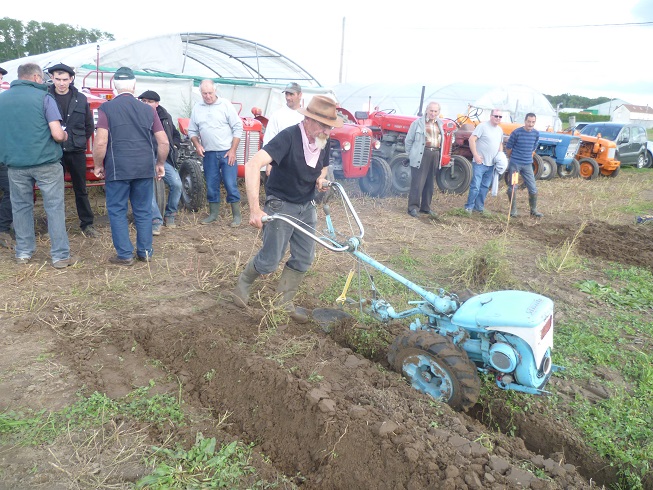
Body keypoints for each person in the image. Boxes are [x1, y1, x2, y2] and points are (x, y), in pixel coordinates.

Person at [231, 95, 342, 322]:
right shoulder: (289, 137)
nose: (327, 131)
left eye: (330, 127)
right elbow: (253, 165)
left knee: (304, 257)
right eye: (323, 125)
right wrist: (254, 210)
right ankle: (244, 281)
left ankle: (284, 303)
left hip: (307, 205)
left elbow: (323, 166)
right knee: (271, 260)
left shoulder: (323, 138)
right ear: (308, 119)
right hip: (281, 203)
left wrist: (320, 177)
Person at [0, 63, 76, 268]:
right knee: (54, 207)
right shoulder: (44, 98)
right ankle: (60, 255)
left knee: (21, 207)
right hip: (45, 162)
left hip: (15, 164)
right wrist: (66, 135)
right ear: (35, 77)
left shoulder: (2, 99)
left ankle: (23, 252)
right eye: (42, 78)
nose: (43, 81)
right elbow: (57, 134)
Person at [92, 67, 169, 266]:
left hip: (118, 168)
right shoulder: (148, 110)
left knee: (117, 210)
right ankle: (145, 252)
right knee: (143, 210)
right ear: (134, 86)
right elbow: (163, 142)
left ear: (114, 87)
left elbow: (101, 142)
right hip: (144, 167)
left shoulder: (106, 109)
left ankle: (125, 254)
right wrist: (160, 163)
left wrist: (98, 165)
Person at [46, 63, 98, 237]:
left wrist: (79, 139)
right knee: (54, 190)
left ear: (72, 79)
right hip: (54, 151)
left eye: (65, 79)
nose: (61, 83)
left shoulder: (81, 99)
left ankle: (87, 224)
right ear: (52, 78)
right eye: (58, 79)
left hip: (76, 151)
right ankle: (55, 227)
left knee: (81, 188)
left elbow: (89, 125)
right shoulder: (45, 96)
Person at [187, 80, 243, 226]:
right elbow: (192, 130)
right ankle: (213, 214)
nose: (207, 96)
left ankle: (236, 216)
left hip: (226, 152)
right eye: (204, 93)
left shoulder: (225, 105)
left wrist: (233, 150)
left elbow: (238, 127)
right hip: (209, 153)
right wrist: (197, 144)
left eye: (210, 93)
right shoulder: (197, 108)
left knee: (231, 184)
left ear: (215, 91)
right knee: (212, 184)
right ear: (200, 93)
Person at [137, 90, 183, 234]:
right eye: (143, 101)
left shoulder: (165, 117)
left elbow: (175, 134)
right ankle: (156, 219)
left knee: (177, 184)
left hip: (164, 159)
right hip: (144, 158)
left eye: (150, 102)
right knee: (147, 187)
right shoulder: (137, 117)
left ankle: (170, 214)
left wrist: (174, 145)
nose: (146, 104)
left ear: (157, 104)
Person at [405, 101, 443, 219]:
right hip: (421, 154)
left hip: (434, 154)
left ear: (438, 112)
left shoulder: (440, 124)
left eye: (435, 111)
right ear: (427, 110)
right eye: (431, 110)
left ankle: (426, 207)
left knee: (430, 182)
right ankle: (413, 207)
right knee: (418, 182)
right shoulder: (417, 123)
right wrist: (411, 155)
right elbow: (409, 140)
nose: (433, 113)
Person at [464, 108, 505, 214]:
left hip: (491, 164)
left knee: (485, 187)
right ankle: (469, 207)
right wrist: (476, 155)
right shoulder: (482, 126)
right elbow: (472, 139)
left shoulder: (499, 130)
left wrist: (500, 156)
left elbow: (500, 144)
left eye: (500, 116)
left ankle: (479, 207)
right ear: (491, 116)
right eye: (496, 116)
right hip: (480, 162)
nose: (498, 118)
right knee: (475, 186)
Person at [261, 82, 304, 177]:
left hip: (300, 163)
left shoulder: (306, 117)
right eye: (286, 94)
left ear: (300, 95)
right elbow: (269, 139)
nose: (288, 97)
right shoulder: (277, 115)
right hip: (279, 162)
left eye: (291, 94)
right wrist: (269, 163)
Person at [505, 113, 543, 218]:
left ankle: (533, 210)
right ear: (525, 121)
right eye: (529, 121)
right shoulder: (516, 133)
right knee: (513, 187)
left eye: (533, 122)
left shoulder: (536, 134)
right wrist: (512, 158)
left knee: (533, 188)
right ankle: (513, 211)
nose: (530, 124)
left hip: (527, 165)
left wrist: (529, 156)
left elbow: (534, 147)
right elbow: (508, 148)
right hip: (515, 165)